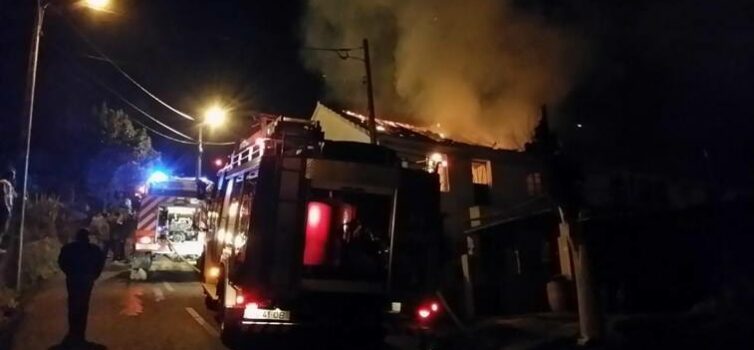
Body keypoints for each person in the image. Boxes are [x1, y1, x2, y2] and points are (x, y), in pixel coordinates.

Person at [58, 229, 105, 348]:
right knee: (83, 306)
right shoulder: (94, 249)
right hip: (87, 281)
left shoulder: (68, 248)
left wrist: (69, 273)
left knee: (73, 304)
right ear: (87, 237)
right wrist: (93, 276)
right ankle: (80, 334)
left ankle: (73, 333)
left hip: (73, 280)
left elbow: (62, 263)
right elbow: (100, 264)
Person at [0, 168, 17, 253]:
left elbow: (14, 195)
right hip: (3, 208)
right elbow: (3, 195)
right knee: (1, 227)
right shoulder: (3, 183)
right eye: (13, 175)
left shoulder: (10, 185)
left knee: (3, 228)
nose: (14, 177)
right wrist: (6, 206)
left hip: (7, 209)